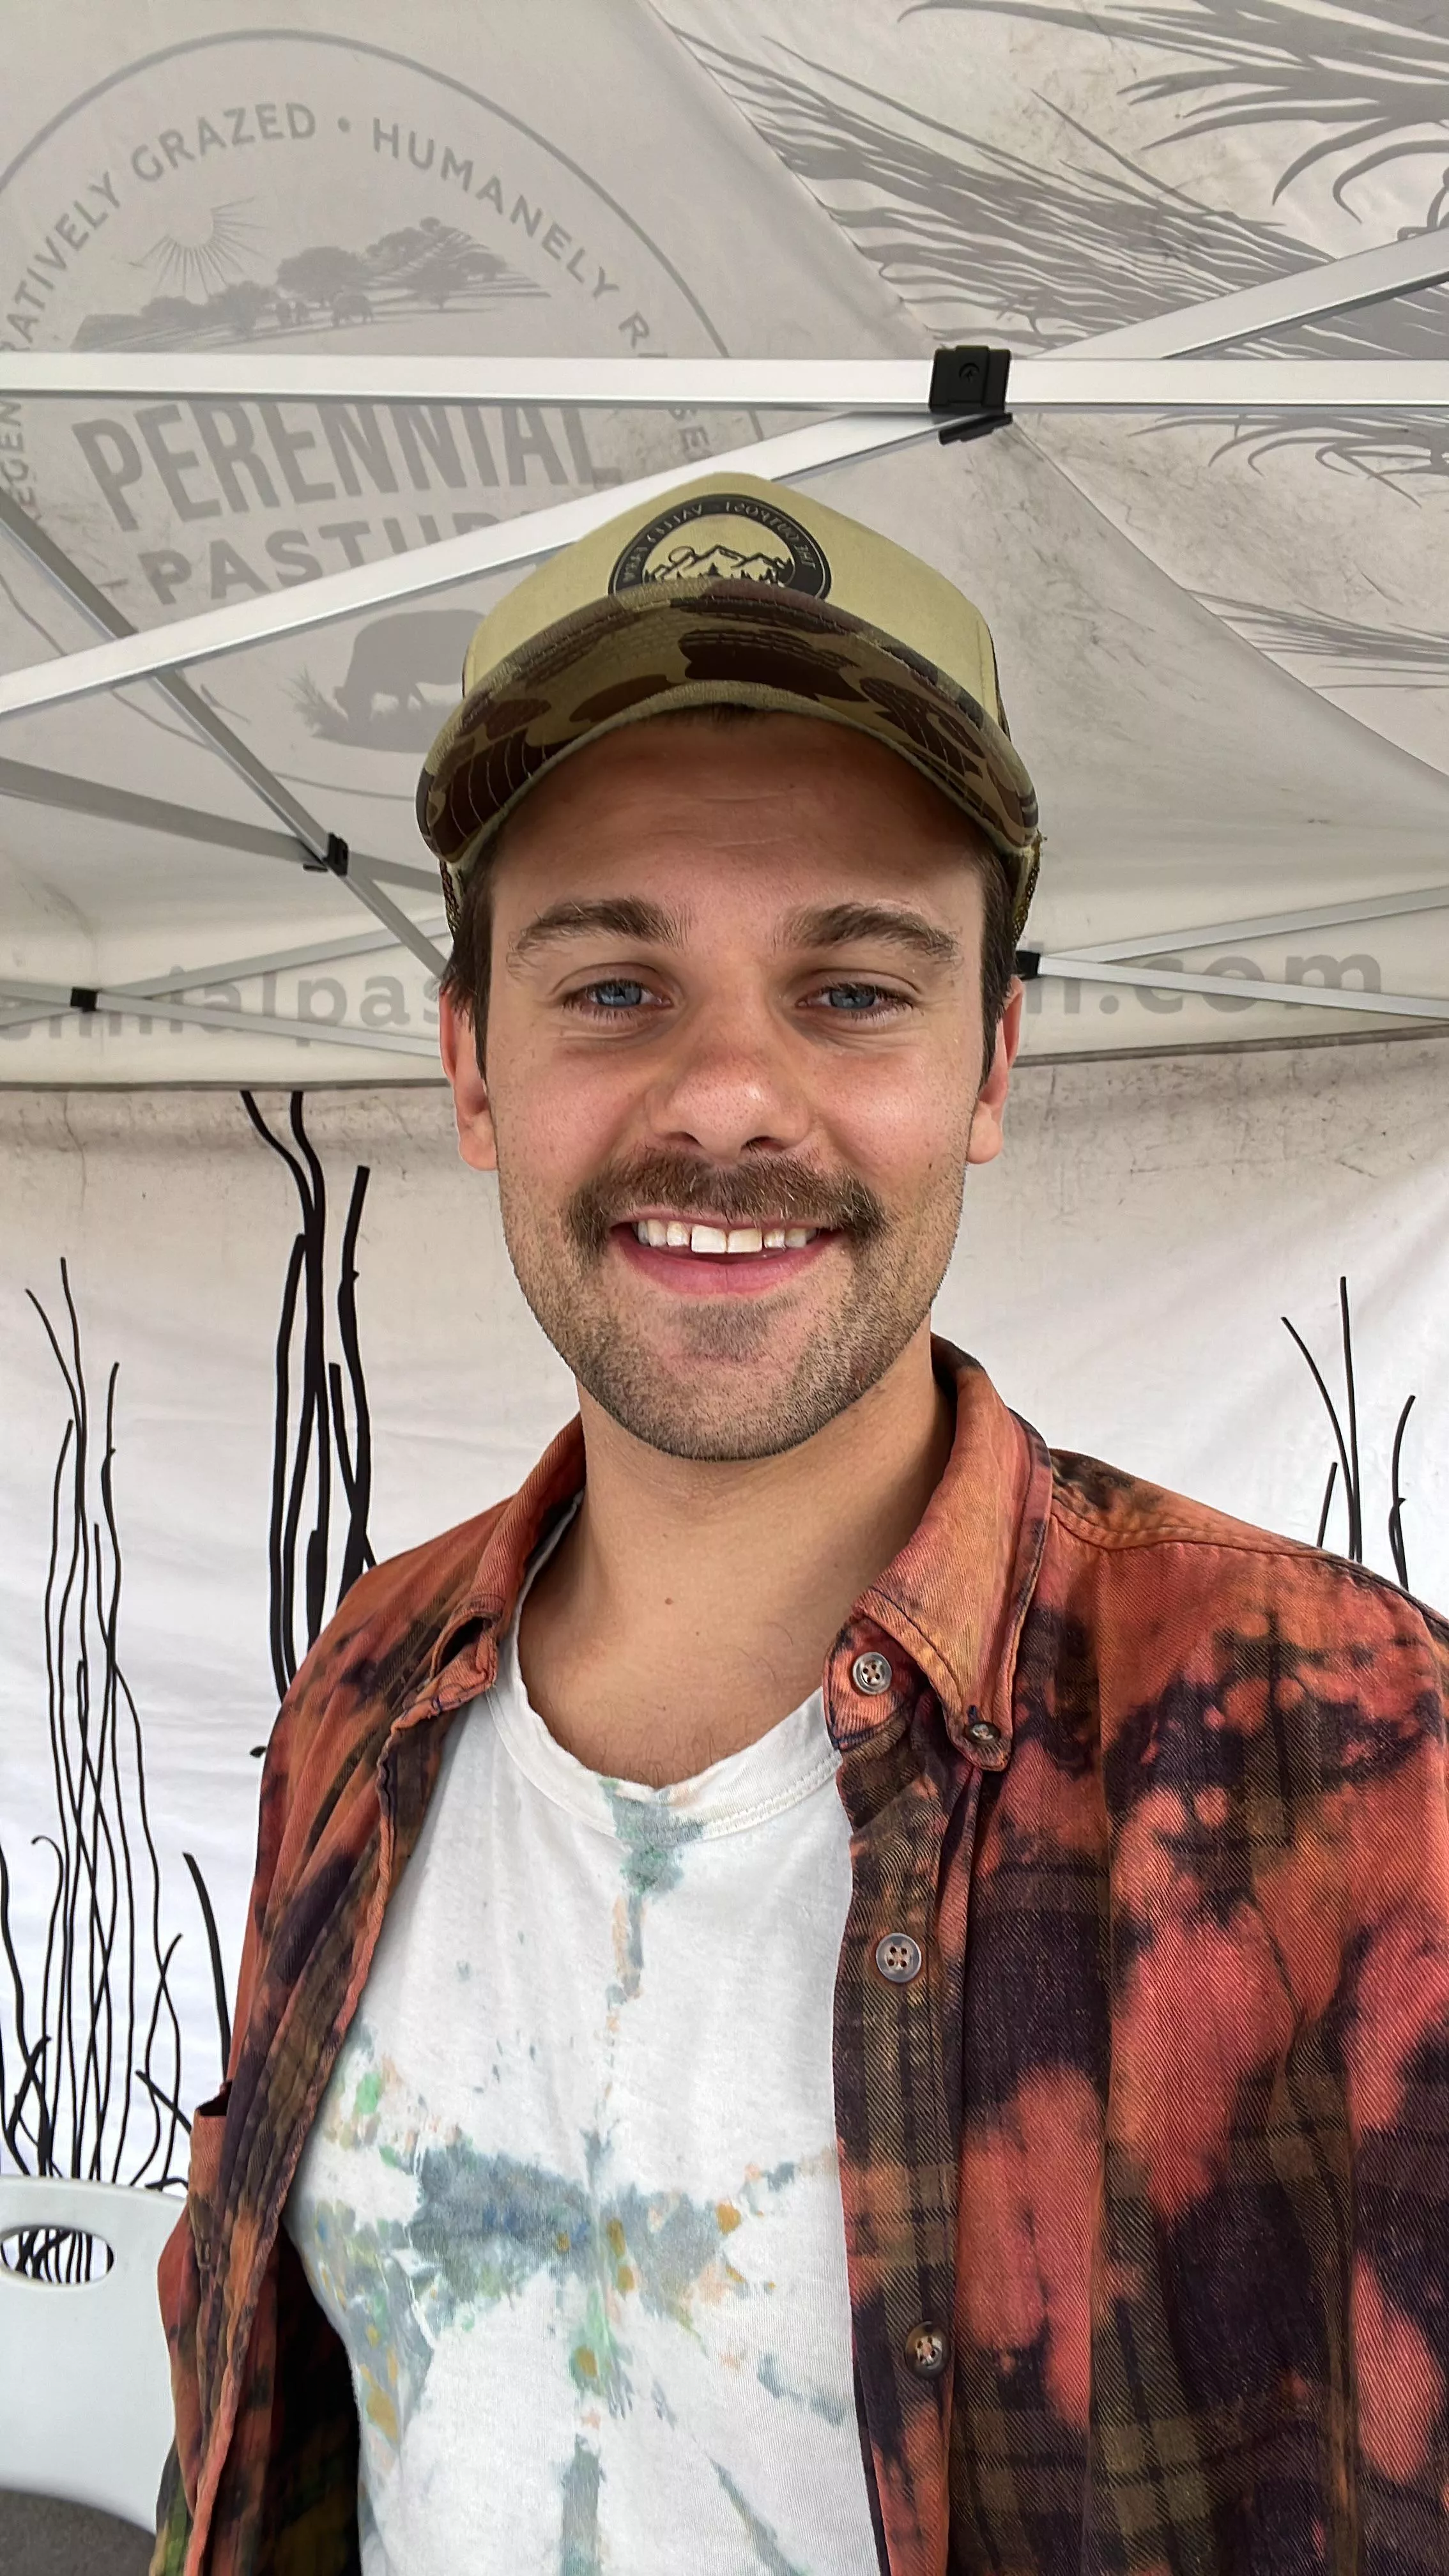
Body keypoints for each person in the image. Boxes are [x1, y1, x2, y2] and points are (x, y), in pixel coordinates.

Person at [151, 476, 1449, 2576]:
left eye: (851, 990)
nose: (733, 1096)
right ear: (471, 1064)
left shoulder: (1343, 1756)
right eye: (609, 986)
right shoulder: (366, 1689)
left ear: (991, 1062)